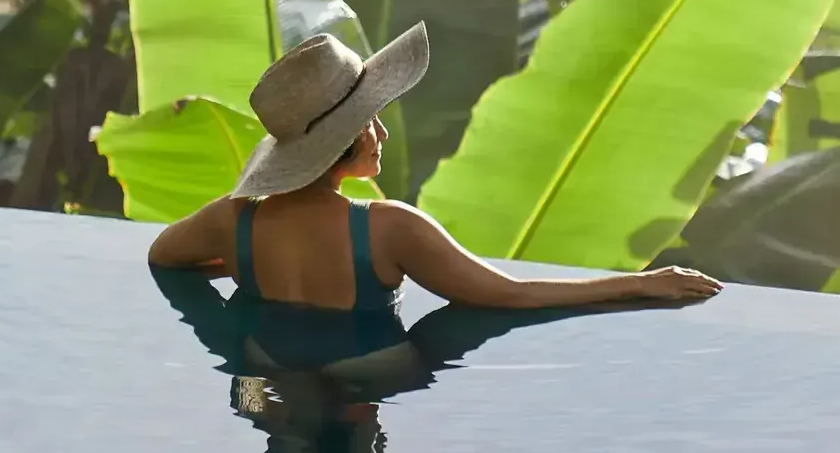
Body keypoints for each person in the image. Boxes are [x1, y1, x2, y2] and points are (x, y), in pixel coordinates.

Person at [145, 25, 722, 312]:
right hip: (363, 387)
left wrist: (240, 268)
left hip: (260, 390)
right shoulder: (389, 228)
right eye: (372, 119)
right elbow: (507, 293)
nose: (383, 131)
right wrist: (642, 283)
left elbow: (162, 257)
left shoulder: (232, 221)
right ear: (346, 141)